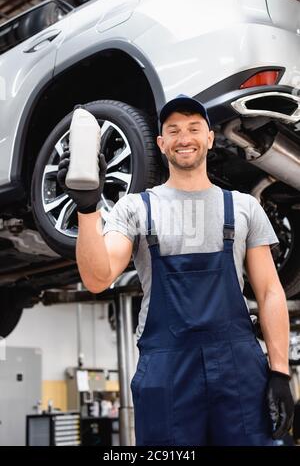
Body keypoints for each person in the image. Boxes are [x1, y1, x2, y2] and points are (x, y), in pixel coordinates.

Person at [58, 95, 294, 446]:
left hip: (238, 370)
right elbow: (97, 278)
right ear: (161, 143)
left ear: (210, 138)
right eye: (174, 130)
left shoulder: (244, 207)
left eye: (194, 128)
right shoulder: (135, 208)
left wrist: (279, 371)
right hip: (167, 371)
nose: (184, 138)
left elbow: (271, 292)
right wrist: (88, 209)